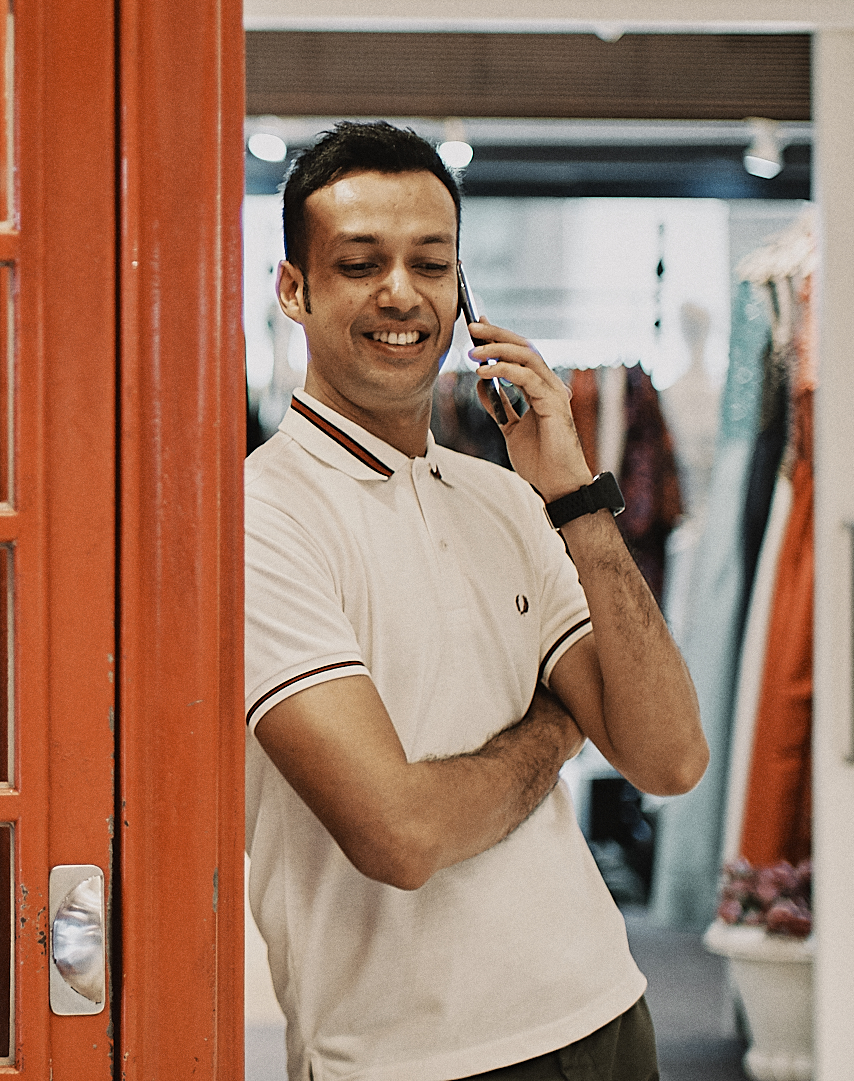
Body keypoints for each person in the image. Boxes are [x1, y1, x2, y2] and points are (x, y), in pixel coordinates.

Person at [244, 121, 709, 1081]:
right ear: (294, 289)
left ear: (464, 294)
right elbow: (401, 835)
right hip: (410, 1057)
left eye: (432, 263)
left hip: (607, 1011)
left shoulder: (505, 497)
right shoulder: (259, 516)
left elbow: (669, 755)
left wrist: (577, 498)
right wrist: (553, 733)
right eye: (359, 263)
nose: (401, 293)